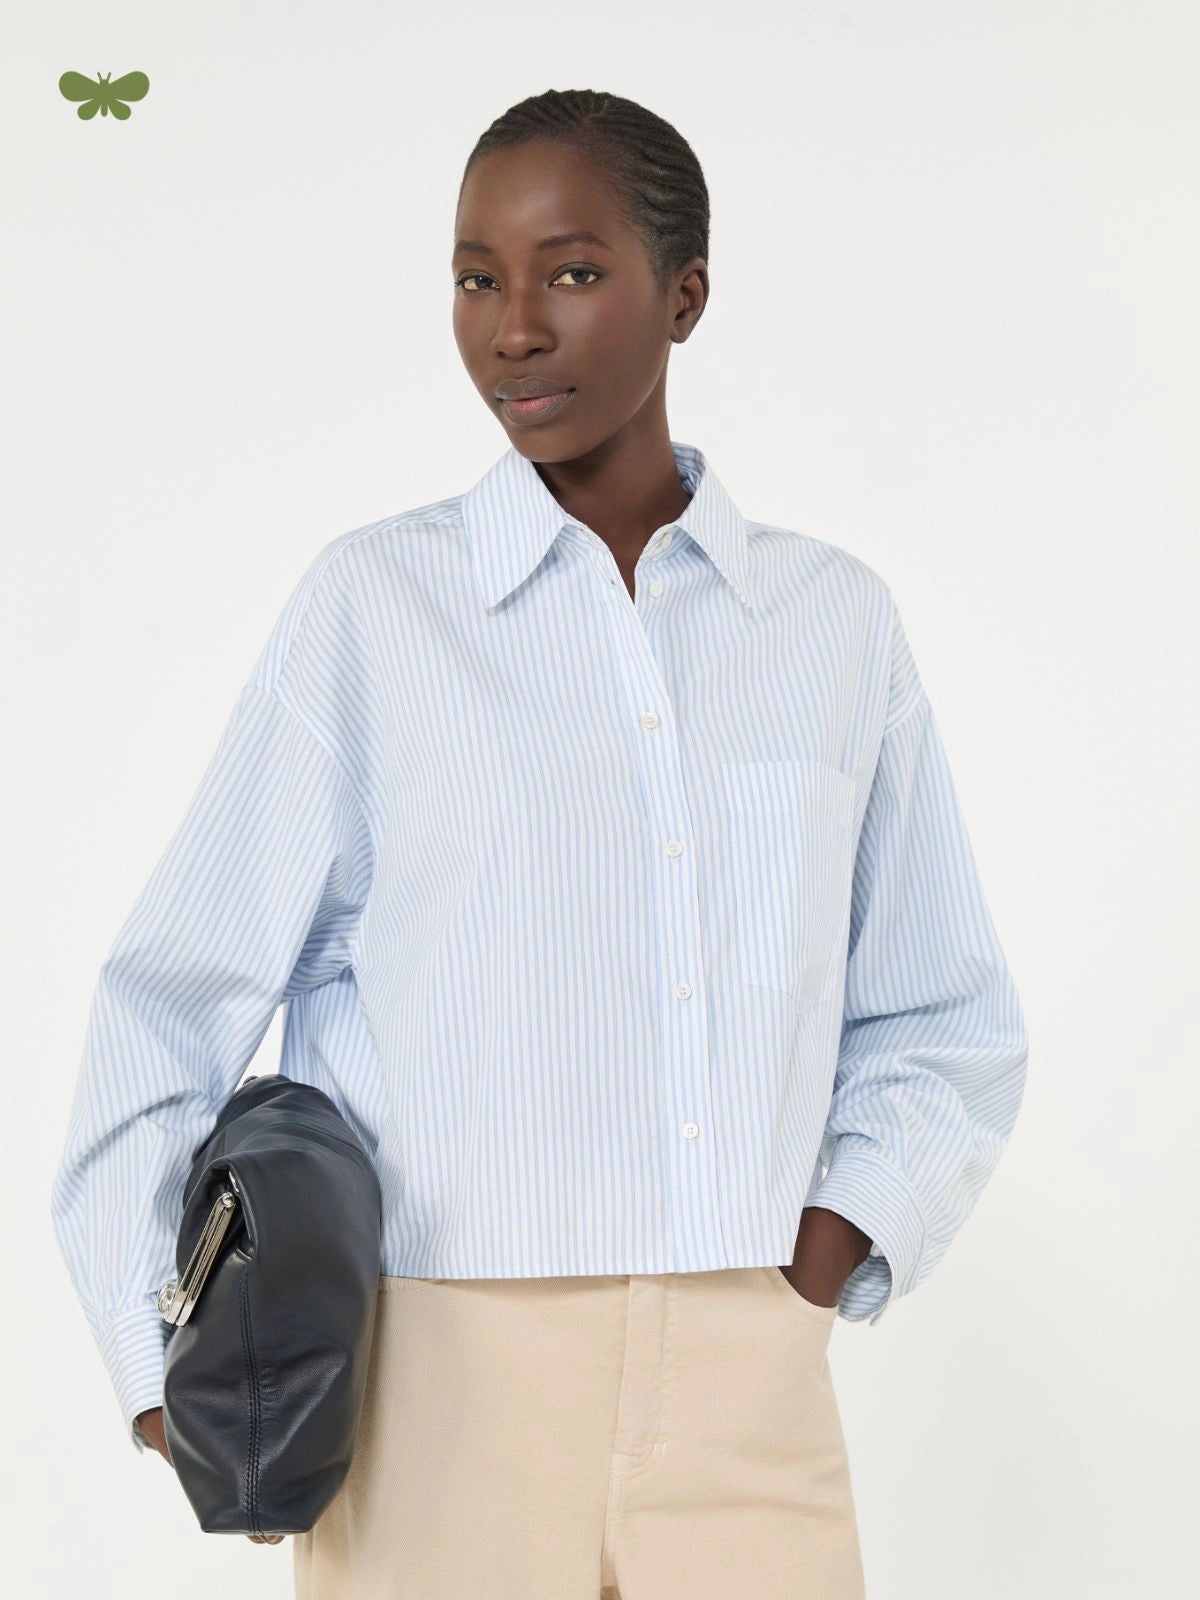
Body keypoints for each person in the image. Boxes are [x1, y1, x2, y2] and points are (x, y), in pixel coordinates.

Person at [49, 87, 1029, 1597]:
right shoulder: (374, 614)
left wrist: (815, 1260)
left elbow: (942, 1012)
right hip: (436, 1394)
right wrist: (158, 1371)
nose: (513, 328)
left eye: (571, 272)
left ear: (684, 295)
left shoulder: (832, 627)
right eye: (475, 278)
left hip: (751, 1390)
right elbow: (166, 1001)